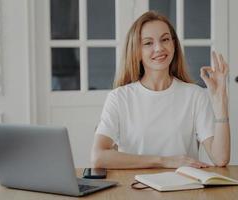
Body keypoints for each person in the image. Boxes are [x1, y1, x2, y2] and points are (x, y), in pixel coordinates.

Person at [91, 11, 230, 169]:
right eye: (148, 43)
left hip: (184, 188)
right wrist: (163, 161)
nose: (159, 48)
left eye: (165, 39)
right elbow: (98, 157)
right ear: (137, 52)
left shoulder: (194, 95)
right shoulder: (119, 97)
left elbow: (220, 159)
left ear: (173, 45)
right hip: (134, 189)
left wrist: (220, 101)